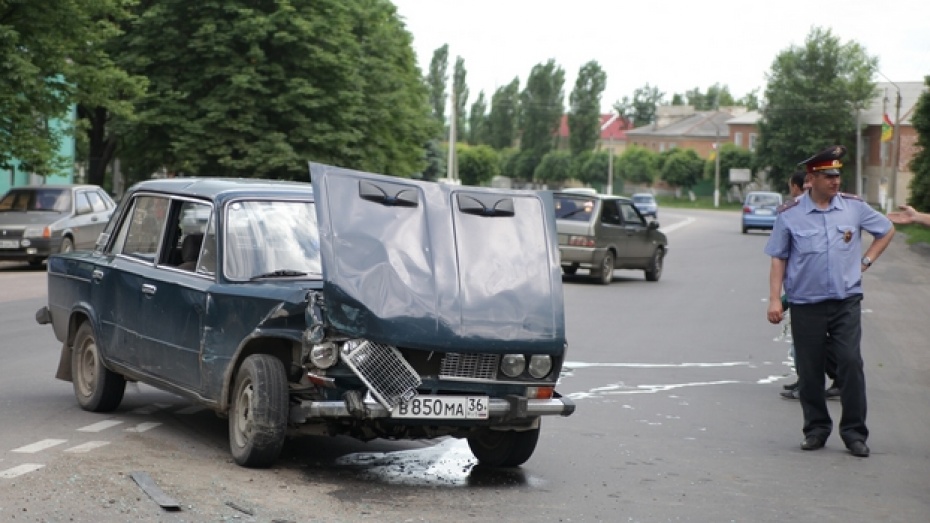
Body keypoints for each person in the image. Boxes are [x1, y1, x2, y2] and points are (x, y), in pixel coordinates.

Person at [764, 145, 895, 458]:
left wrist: (866, 262)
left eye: (838, 175)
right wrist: (774, 300)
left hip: (845, 300)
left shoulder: (853, 208)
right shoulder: (790, 214)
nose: (836, 181)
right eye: (829, 176)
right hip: (806, 303)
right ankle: (816, 429)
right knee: (809, 371)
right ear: (812, 178)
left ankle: (854, 434)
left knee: (850, 363)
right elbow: (778, 259)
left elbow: (886, 230)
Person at [779, 170, 840, 400]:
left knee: (810, 343)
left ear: (798, 186)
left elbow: (797, 261)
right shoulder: (797, 211)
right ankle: (806, 381)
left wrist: (783, 299)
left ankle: (814, 383)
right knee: (810, 343)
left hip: (811, 294)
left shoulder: (797, 211)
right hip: (804, 292)